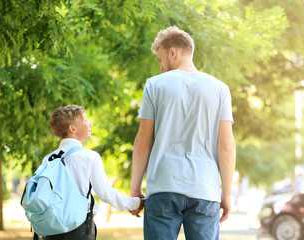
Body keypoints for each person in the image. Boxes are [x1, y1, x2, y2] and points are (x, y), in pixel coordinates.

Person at [130, 26, 236, 240]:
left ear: (172, 52)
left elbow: (143, 141)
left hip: (163, 186)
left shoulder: (154, 85)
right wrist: (226, 193)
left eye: (160, 60)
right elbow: (226, 146)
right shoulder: (220, 89)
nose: (160, 68)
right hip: (205, 190)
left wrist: (135, 189)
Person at [45, 105, 144, 240]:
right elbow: (105, 193)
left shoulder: (49, 158)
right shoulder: (89, 157)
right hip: (79, 229)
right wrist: (136, 203)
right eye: (85, 121)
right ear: (72, 129)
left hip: (52, 229)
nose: (90, 124)